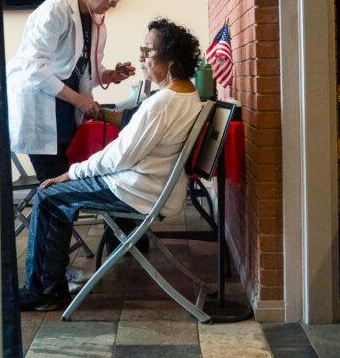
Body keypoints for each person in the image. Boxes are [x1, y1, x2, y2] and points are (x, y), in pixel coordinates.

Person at [19, 18, 204, 311]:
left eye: (148, 51)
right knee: (56, 194)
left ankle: (43, 293)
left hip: (137, 189)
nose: (142, 57)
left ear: (170, 59)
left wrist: (71, 172)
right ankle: (49, 285)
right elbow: (125, 151)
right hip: (147, 185)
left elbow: (119, 156)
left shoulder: (162, 103)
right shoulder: (187, 94)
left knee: (48, 196)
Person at [6, 0, 136, 183]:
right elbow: (34, 68)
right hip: (41, 106)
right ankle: (51, 219)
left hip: (64, 110)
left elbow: (81, 67)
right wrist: (78, 100)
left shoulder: (94, 20)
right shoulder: (55, 10)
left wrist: (109, 75)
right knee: (55, 183)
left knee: (65, 180)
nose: (114, 4)